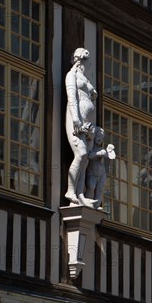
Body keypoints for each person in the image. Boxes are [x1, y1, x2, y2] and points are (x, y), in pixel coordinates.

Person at [65, 48, 98, 207]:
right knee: (81, 154)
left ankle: (79, 193)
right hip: (76, 121)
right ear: (79, 61)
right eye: (86, 62)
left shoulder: (85, 78)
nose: (87, 65)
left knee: (86, 159)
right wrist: (76, 119)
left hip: (90, 124)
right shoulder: (71, 75)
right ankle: (70, 190)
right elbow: (72, 97)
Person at [85, 127, 116, 209]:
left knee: (100, 190)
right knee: (91, 187)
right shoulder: (90, 147)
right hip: (92, 172)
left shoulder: (100, 149)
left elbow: (104, 153)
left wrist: (96, 154)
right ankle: (86, 203)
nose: (100, 140)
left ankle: (96, 206)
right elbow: (89, 156)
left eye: (102, 138)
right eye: (98, 136)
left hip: (102, 174)